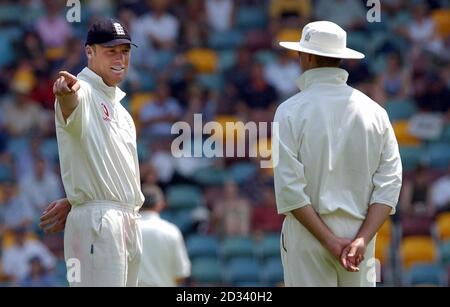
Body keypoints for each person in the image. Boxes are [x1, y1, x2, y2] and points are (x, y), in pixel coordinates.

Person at [273, 21, 402, 287]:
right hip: (359, 238)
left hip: (308, 236)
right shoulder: (376, 112)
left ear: (306, 56)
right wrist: (362, 239)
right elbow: (389, 185)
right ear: (341, 58)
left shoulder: (289, 111)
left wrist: (329, 241)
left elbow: (290, 191)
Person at [39, 18, 144, 287]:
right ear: (89, 52)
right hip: (99, 224)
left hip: (127, 221)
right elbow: (71, 101)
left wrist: (75, 200)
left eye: (125, 51)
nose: (120, 58)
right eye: (111, 51)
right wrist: (65, 95)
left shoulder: (121, 109)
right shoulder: (83, 90)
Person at [138, 185, 191, 287]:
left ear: (139, 203)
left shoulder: (129, 229)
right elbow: (181, 273)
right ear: (160, 204)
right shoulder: (172, 231)